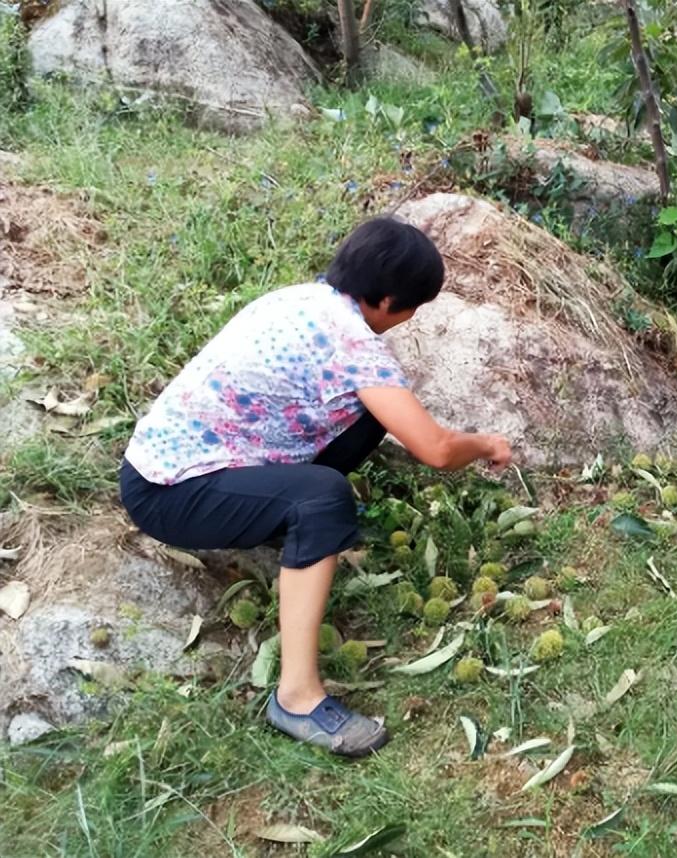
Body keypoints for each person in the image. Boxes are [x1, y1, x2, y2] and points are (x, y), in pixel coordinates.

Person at [119, 218, 512, 758]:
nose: (410, 319)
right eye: (413, 306)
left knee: (371, 416)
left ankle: (293, 539)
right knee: (323, 497)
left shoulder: (303, 300)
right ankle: (296, 696)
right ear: (390, 299)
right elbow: (438, 450)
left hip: (171, 463)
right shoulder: (351, 341)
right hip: (168, 493)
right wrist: (488, 444)